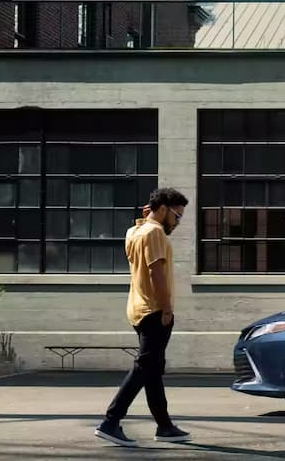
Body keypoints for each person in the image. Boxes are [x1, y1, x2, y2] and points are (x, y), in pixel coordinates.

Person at [95, 188, 191, 447]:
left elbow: (140, 232)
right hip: (154, 310)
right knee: (145, 367)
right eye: (177, 216)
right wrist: (167, 309)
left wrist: (148, 216)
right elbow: (155, 272)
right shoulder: (155, 232)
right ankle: (110, 422)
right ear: (163, 209)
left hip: (138, 307)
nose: (178, 222)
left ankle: (165, 426)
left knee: (153, 370)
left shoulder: (135, 232)